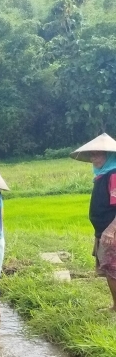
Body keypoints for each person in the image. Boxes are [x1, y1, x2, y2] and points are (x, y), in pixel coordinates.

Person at [72, 133, 116, 311]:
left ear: (109, 156)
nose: (93, 158)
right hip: (103, 231)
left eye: (98, 154)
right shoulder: (101, 176)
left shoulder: (113, 175)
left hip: (111, 232)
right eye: (92, 154)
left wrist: (111, 230)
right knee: (108, 269)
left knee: (112, 270)